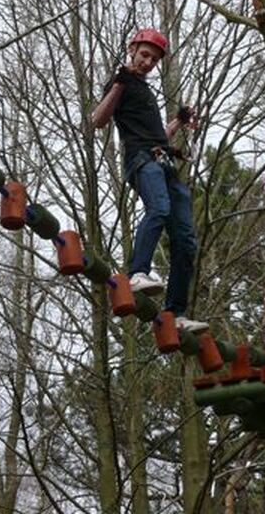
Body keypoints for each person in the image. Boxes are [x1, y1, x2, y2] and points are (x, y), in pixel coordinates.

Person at [92, 28, 208, 333]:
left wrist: (179, 121)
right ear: (132, 49)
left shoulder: (146, 92)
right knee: (159, 208)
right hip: (141, 161)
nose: (148, 62)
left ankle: (175, 313)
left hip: (162, 162)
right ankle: (137, 273)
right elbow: (98, 120)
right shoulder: (122, 83)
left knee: (185, 240)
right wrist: (119, 83)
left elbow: (158, 135)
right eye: (144, 55)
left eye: (154, 60)